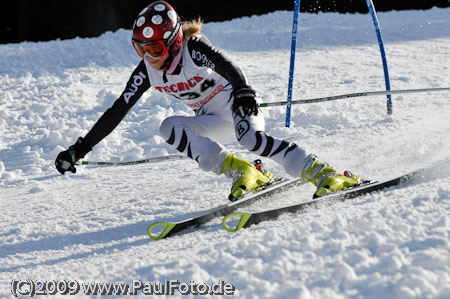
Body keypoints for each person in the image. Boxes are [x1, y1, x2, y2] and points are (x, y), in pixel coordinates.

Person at [55, 1, 360, 200]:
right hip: (212, 121)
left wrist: (243, 91)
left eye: (155, 50)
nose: (149, 58)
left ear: (174, 42)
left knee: (252, 139)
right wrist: (80, 149)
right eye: (141, 50)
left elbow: (226, 64)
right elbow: (117, 110)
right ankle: (244, 171)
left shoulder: (192, 48)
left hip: (239, 106)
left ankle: (325, 173)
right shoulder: (148, 70)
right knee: (169, 127)